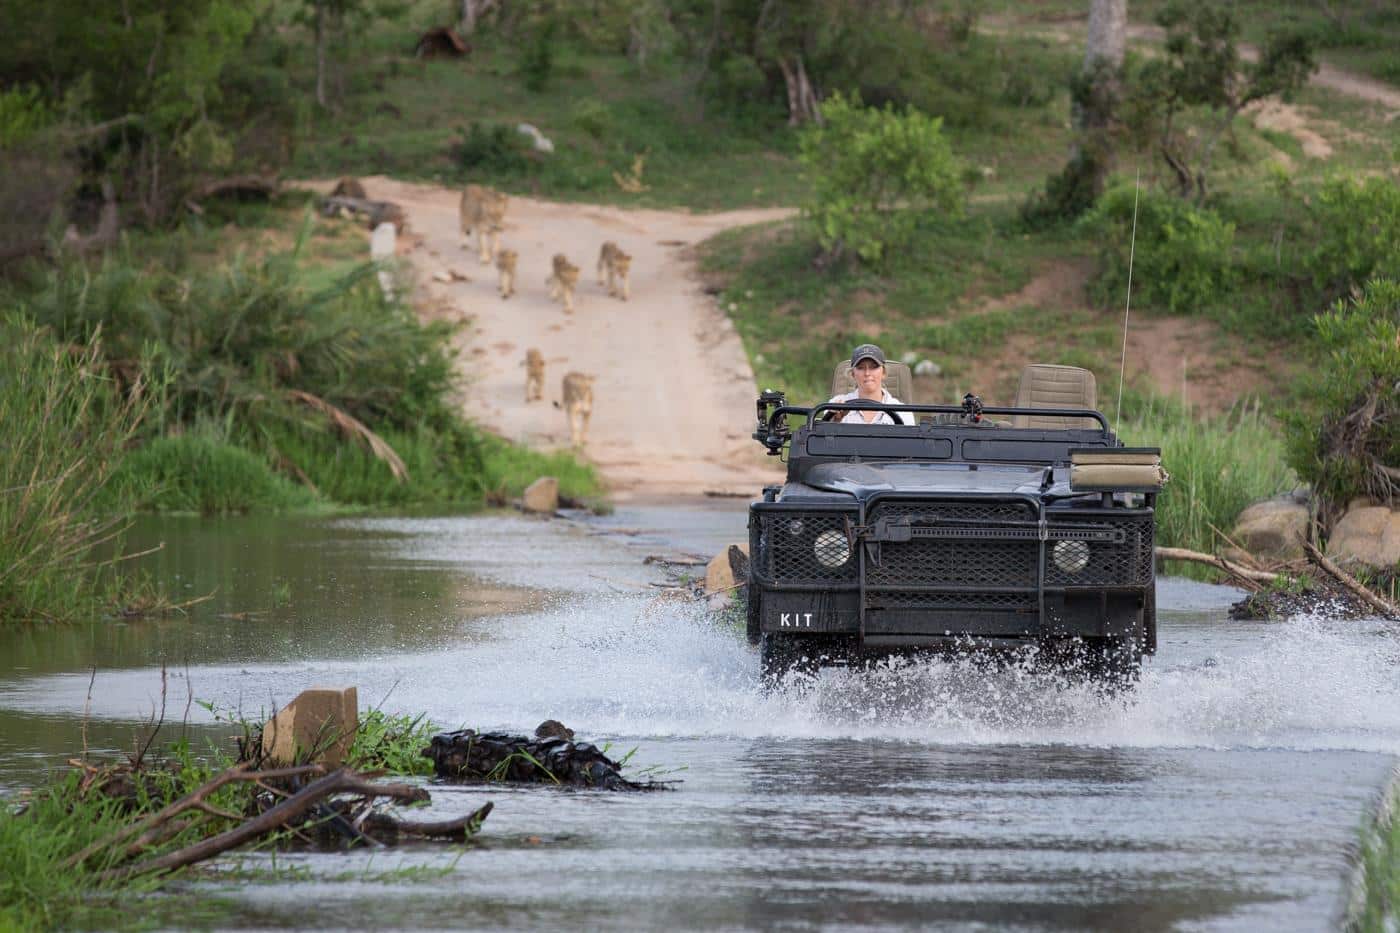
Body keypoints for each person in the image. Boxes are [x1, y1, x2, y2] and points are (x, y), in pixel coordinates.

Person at [825, 344, 912, 425]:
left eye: (874, 367)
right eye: (860, 368)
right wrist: (837, 420)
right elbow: (824, 438)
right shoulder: (836, 405)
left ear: (884, 372)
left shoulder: (902, 412)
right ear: (852, 374)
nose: (867, 373)